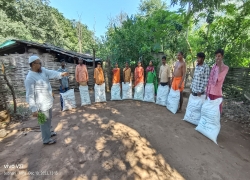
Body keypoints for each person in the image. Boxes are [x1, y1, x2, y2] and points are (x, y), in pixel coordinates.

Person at [25, 55, 69, 145]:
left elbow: (51, 73)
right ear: (33, 64)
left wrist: (60, 74)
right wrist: (33, 109)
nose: (41, 65)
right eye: (39, 63)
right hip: (40, 105)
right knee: (43, 122)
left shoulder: (42, 71)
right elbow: (29, 95)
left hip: (47, 101)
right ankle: (46, 139)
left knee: (48, 119)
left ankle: (48, 133)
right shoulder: (30, 78)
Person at [206, 49, 229, 113]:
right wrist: (207, 90)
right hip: (210, 91)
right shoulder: (214, 66)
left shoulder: (225, 68)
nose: (217, 58)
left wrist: (219, 66)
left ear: (222, 57)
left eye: (219, 56)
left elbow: (219, 79)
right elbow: (210, 79)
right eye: (216, 56)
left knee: (216, 111)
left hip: (216, 93)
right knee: (209, 110)